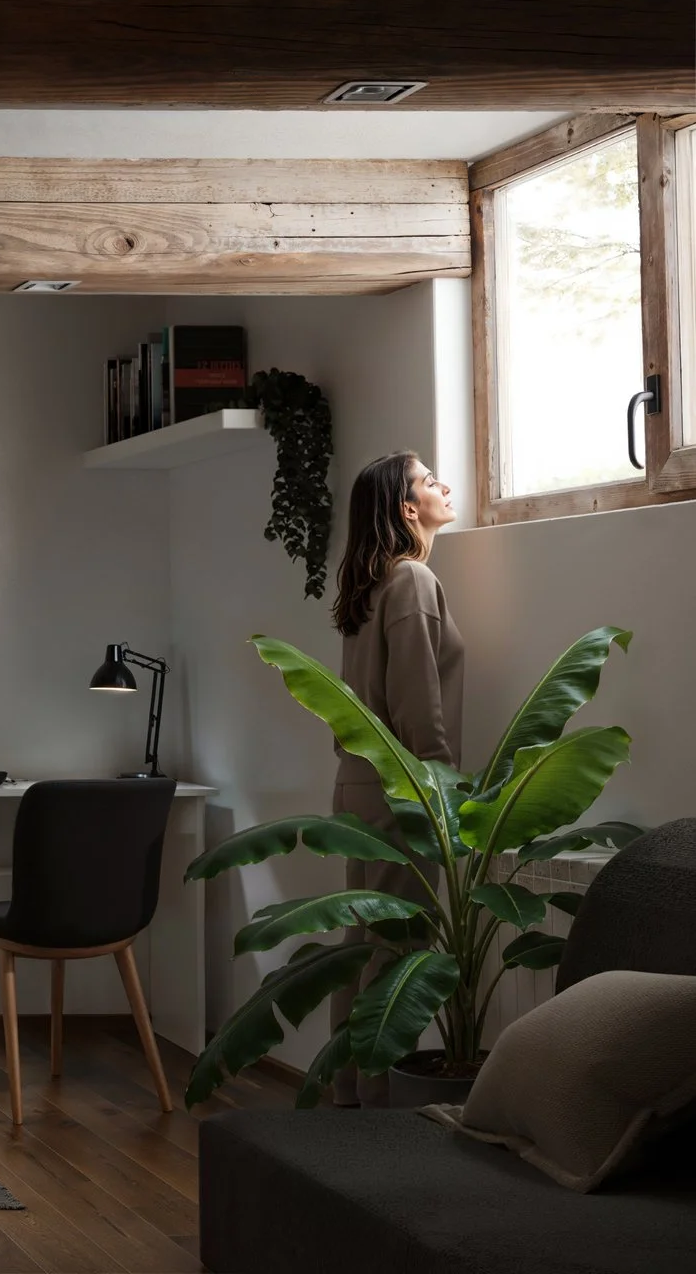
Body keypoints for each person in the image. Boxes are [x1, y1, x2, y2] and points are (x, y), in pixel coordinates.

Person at [327, 450, 463, 1105]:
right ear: (408, 509)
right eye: (427, 480)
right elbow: (418, 706)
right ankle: (382, 1114)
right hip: (401, 791)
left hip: (359, 786)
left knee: (364, 943)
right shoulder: (410, 581)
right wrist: (443, 797)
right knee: (397, 952)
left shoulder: (374, 584)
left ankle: (350, 1099)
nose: (442, 484)